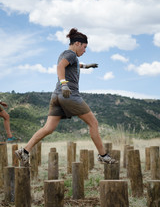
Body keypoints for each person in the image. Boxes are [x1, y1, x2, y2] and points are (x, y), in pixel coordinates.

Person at [15, 28, 117, 167]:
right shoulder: (70, 54)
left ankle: (25, 150)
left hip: (56, 96)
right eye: (84, 47)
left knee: (48, 128)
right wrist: (64, 84)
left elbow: (73, 66)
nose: (85, 50)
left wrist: (87, 66)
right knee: (93, 123)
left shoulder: (69, 56)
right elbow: (60, 67)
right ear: (77, 44)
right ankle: (103, 156)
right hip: (69, 95)